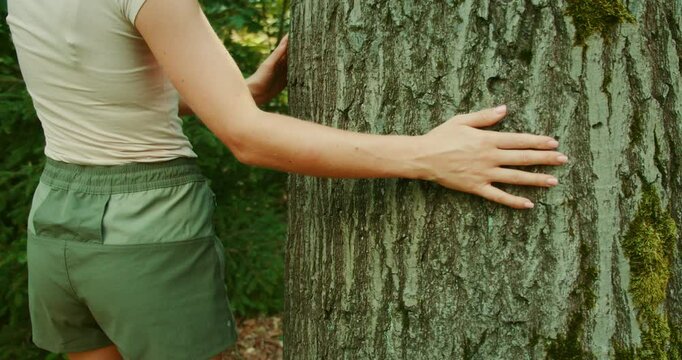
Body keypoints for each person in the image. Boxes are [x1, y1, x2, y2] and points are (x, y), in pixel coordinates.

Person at [6, 0, 567, 359]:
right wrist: (424, 154)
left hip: (54, 218)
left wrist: (239, 92)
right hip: (141, 230)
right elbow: (247, 140)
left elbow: (107, 88)